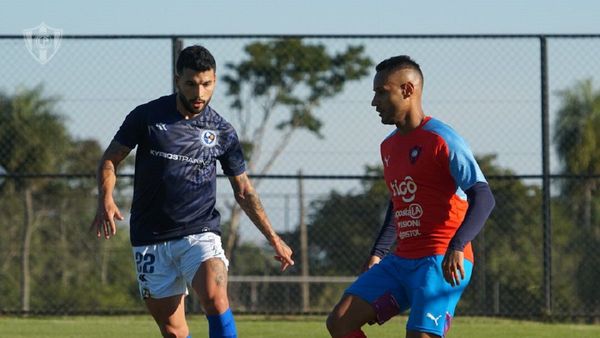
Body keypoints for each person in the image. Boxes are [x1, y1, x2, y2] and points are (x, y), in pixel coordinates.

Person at [91, 45, 294, 338]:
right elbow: (110, 159)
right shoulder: (147, 116)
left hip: (199, 231)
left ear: (214, 81)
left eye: (207, 84)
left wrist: (273, 238)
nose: (199, 93)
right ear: (178, 81)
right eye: (191, 84)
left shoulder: (222, 131)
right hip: (150, 237)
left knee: (214, 295)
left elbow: (244, 191)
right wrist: (106, 199)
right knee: (174, 331)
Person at [326, 55, 495, 338]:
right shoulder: (389, 146)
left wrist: (458, 245)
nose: (374, 102)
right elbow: (398, 204)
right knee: (340, 321)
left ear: (407, 90)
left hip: (442, 259)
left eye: (381, 92)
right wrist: (378, 253)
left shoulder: (443, 139)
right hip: (401, 260)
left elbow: (483, 196)